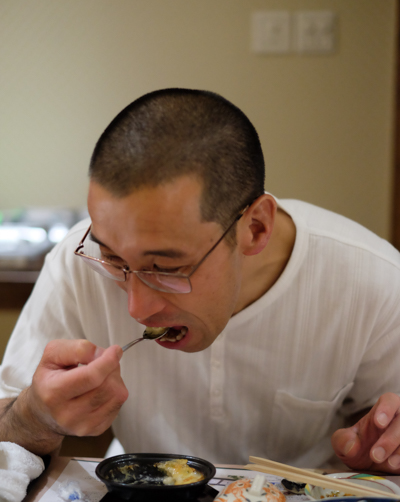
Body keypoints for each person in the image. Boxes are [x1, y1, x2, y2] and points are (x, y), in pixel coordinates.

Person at [1, 88, 400, 472]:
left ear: (256, 228)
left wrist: (381, 446)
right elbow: (7, 428)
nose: (137, 309)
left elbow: (385, 426)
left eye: (167, 268)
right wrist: (34, 417)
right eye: (113, 257)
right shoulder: (76, 262)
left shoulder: (372, 280)